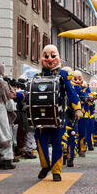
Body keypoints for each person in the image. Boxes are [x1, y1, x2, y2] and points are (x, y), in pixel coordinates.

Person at [17, 45, 82, 181]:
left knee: (58, 142)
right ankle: (45, 165)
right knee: (41, 142)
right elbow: (29, 93)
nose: (49, 59)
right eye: (46, 56)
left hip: (59, 115)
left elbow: (71, 92)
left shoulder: (63, 75)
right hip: (41, 116)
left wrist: (77, 108)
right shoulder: (37, 76)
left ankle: (56, 171)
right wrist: (16, 95)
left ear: (58, 57)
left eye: (53, 56)